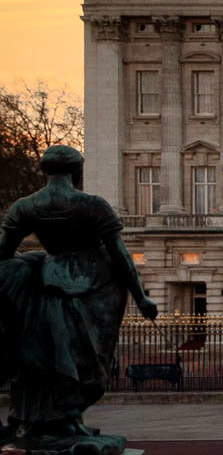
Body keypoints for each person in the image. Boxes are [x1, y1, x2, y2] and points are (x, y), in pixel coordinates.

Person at [0, 146, 159, 444]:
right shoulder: (92, 205)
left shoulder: (26, 206)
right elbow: (120, 255)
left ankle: (63, 422)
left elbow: (3, 252)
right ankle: (59, 422)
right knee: (86, 357)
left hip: (50, 280)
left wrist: (24, 270)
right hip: (94, 283)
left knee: (56, 353)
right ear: (76, 171)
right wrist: (141, 297)